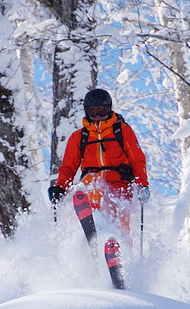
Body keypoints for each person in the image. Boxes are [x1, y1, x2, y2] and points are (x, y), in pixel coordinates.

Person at [48, 88, 150, 246]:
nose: (97, 116)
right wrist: (60, 188)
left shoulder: (122, 131)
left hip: (120, 187)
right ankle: (93, 225)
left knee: (122, 221)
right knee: (94, 184)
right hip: (91, 184)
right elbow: (68, 167)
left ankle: (122, 252)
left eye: (101, 112)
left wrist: (142, 184)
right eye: (92, 112)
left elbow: (137, 159)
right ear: (86, 112)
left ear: (109, 110)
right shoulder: (79, 137)